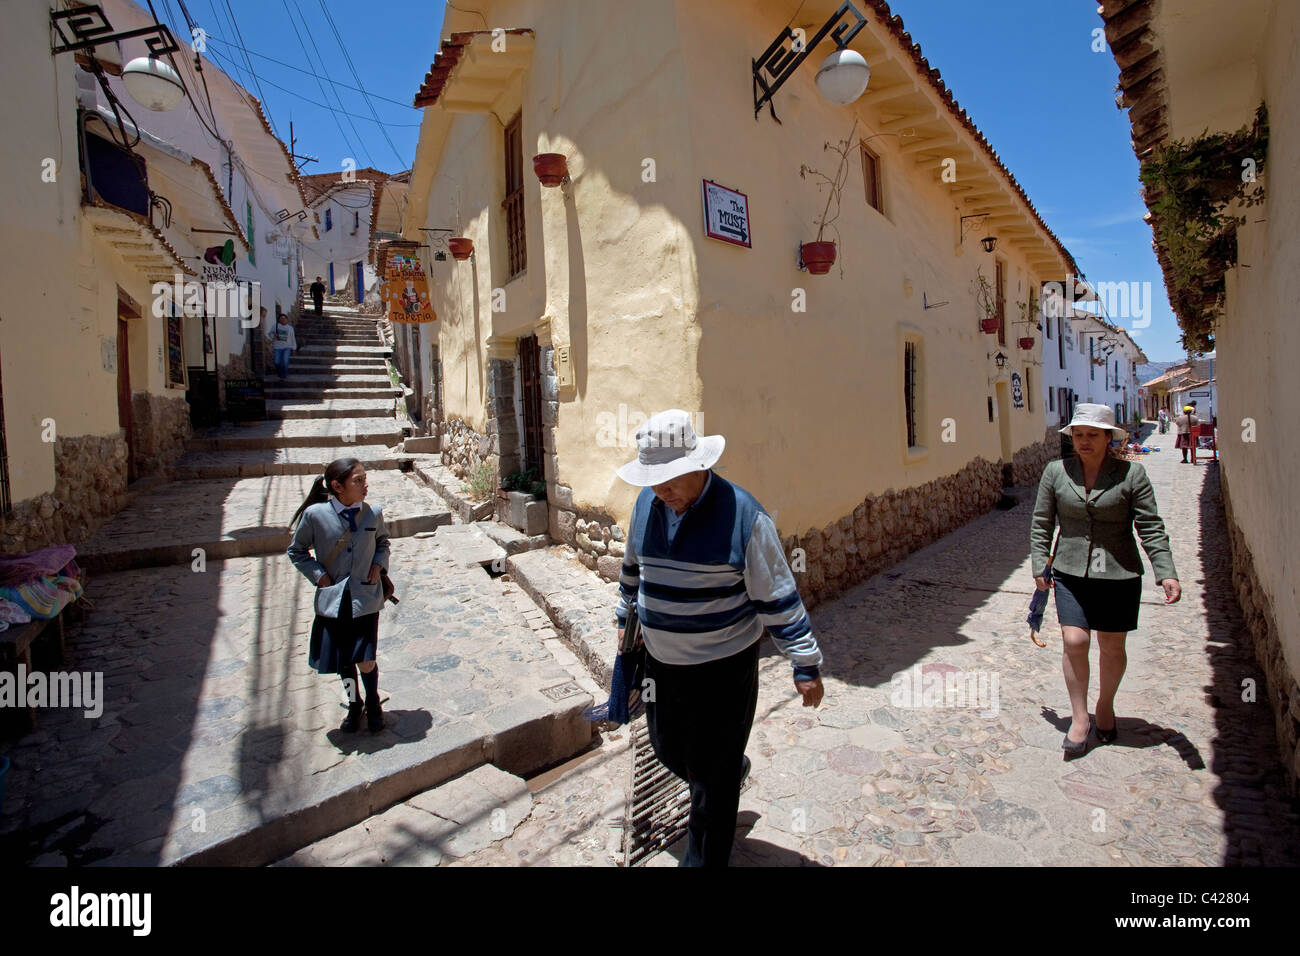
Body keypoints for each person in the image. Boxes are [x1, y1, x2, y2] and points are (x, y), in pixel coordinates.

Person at [614, 409, 824, 866]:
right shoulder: (646, 507)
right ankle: (728, 772)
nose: (660, 490)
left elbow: (778, 596)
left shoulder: (744, 516)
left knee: (711, 777)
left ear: (699, 465)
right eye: (653, 479)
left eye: (669, 479)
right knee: (668, 748)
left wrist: (804, 663)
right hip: (662, 666)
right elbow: (633, 571)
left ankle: (705, 853)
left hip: (723, 669)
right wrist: (623, 616)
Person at [1030, 404, 1181, 759]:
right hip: (1070, 571)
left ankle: (1106, 705)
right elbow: (1041, 523)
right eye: (1078, 435)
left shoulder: (1131, 476)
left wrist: (1166, 571)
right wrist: (1040, 564)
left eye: (1092, 435)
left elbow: (1150, 526)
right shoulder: (1056, 472)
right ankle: (1080, 717)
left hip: (1119, 573)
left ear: (1109, 438)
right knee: (1074, 639)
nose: (1083, 441)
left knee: (1112, 647)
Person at [288, 458, 391, 733]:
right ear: (337, 486)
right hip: (334, 601)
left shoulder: (373, 513)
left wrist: (378, 564)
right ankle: (354, 703)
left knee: (366, 658)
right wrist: (319, 576)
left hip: (365, 599)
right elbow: (296, 551)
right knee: (344, 660)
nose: (365, 485)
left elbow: (383, 542)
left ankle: (373, 701)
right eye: (358, 481)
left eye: (365, 479)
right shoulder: (315, 516)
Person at [266, 310, 297, 380]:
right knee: (277, 362)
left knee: (285, 361)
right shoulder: (275, 326)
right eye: (281, 318)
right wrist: (273, 335)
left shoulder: (290, 328)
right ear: (279, 319)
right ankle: (279, 372)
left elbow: (293, 338)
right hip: (277, 347)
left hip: (287, 347)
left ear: (287, 320)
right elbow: (270, 334)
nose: (283, 319)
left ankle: (283, 375)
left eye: (284, 318)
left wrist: (294, 348)